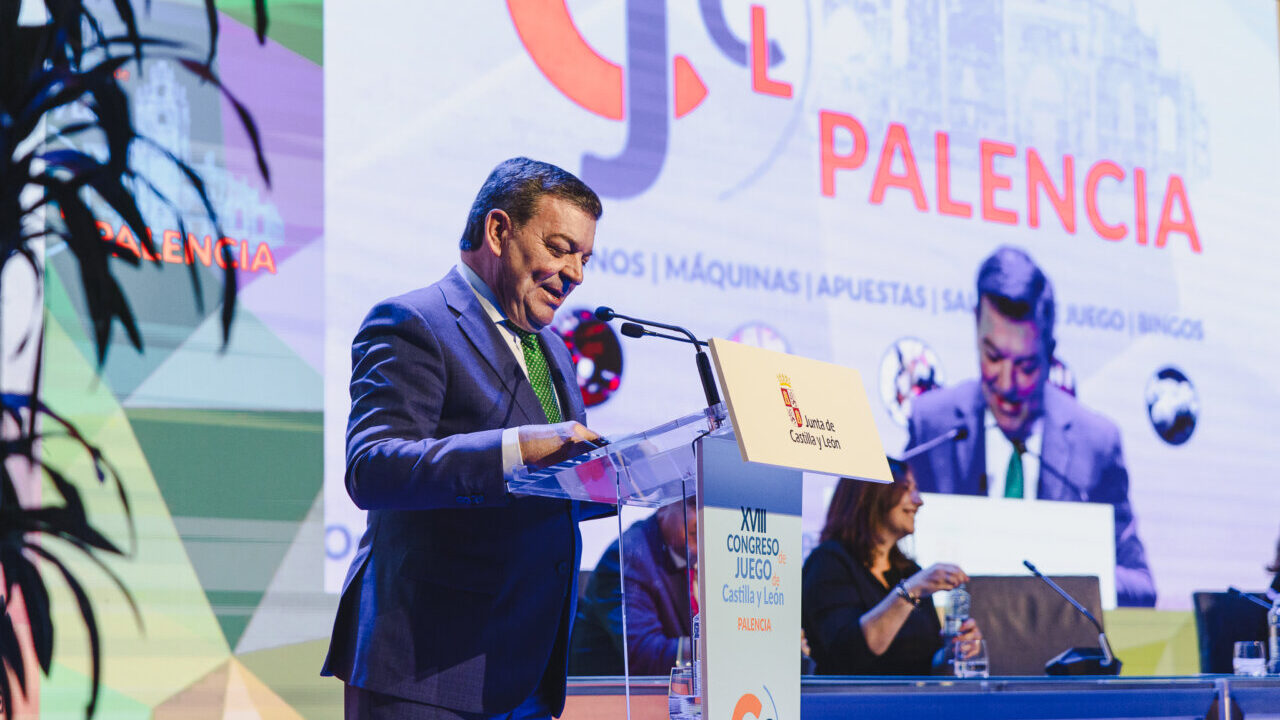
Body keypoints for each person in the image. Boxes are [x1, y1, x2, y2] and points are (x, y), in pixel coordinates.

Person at [322, 157, 610, 719]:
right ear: (499, 231)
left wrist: (613, 477)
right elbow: (373, 467)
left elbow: (550, 490)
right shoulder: (413, 321)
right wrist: (517, 449)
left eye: (584, 257)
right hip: (425, 668)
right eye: (559, 247)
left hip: (522, 670)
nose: (576, 273)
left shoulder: (551, 350)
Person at [905, 246, 1156, 607]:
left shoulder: (1096, 443)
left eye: (1026, 366)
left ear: (1050, 351)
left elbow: (1142, 587)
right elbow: (887, 561)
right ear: (976, 323)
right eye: (992, 357)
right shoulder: (932, 425)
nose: (1007, 384)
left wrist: (1064, 567)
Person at [801, 459, 982, 675]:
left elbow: (926, 662)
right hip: (851, 704)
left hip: (911, 703)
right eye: (906, 489)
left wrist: (952, 652)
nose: (919, 501)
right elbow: (847, 653)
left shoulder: (910, 571)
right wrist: (910, 592)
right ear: (871, 496)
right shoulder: (829, 562)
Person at [569, 497, 697, 676]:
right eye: (695, 505)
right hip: (603, 697)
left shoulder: (700, 555)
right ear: (665, 504)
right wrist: (712, 649)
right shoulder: (629, 557)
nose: (705, 519)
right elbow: (644, 654)